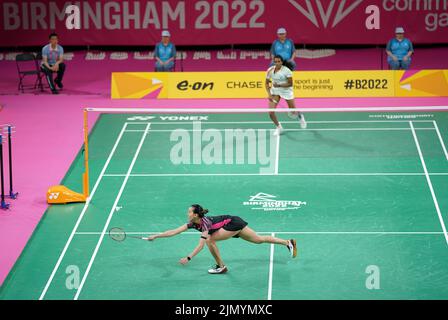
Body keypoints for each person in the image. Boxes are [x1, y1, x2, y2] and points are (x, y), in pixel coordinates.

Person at [146, 204, 298, 274]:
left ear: (196, 215)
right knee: (258, 240)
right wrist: (156, 236)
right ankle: (287, 242)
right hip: (234, 221)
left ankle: (221, 266)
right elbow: (174, 231)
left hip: (232, 223)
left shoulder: (204, 224)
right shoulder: (193, 223)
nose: (187, 213)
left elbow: (201, 245)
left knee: (209, 240)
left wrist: (188, 258)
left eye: (189, 212)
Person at [266, 55, 306, 136]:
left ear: (282, 62)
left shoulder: (287, 71)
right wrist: (269, 94)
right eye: (275, 61)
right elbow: (266, 83)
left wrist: (279, 85)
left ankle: (300, 115)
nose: (277, 63)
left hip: (286, 91)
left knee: (293, 111)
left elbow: (290, 83)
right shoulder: (270, 70)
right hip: (275, 91)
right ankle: (279, 127)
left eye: (279, 61)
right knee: (271, 112)